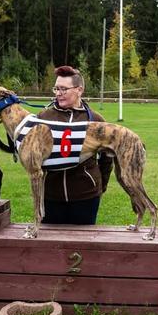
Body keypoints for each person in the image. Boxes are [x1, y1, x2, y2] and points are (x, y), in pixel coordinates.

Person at [38, 65, 113, 225]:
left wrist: (99, 186)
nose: (58, 93)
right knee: (50, 245)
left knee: (82, 247)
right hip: (51, 196)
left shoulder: (95, 119)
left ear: (79, 90)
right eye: (56, 88)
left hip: (86, 196)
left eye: (64, 89)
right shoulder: (43, 117)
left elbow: (107, 159)